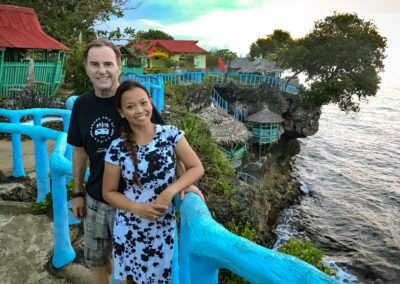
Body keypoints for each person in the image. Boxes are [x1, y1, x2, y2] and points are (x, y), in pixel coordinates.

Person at [67, 39, 203, 284]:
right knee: (99, 262)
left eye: (108, 63)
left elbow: (166, 146)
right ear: (86, 67)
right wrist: (77, 192)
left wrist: (182, 183)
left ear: (119, 65)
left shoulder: (134, 97)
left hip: (143, 205)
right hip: (99, 197)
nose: (102, 70)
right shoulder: (82, 105)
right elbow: (79, 152)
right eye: (94, 64)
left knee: (138, 271)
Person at [102, 80, 205, 283]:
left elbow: (197, 167)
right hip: (129, 224)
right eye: (130, 107)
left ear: (151, 103)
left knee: (159, 279)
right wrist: (136, 208)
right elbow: (109, 192)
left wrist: (171, 190)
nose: (139, 110)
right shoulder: (116, 147)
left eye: (143, 103)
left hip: (161, 227)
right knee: (130, 280)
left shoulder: (170, 134)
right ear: (121, 112)